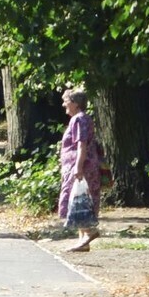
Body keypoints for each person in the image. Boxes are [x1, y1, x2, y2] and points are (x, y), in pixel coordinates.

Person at [59, 88, 101, 252]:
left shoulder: (79, 119)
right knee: (78, 199)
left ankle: (90, 232)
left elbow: (81, 144)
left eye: (66, 101)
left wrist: (78, 167)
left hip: (82, 167)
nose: (64, 105)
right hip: (81, 166)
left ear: (75, 103)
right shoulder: (79, 118)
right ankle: (83, 241)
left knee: (79, 200)